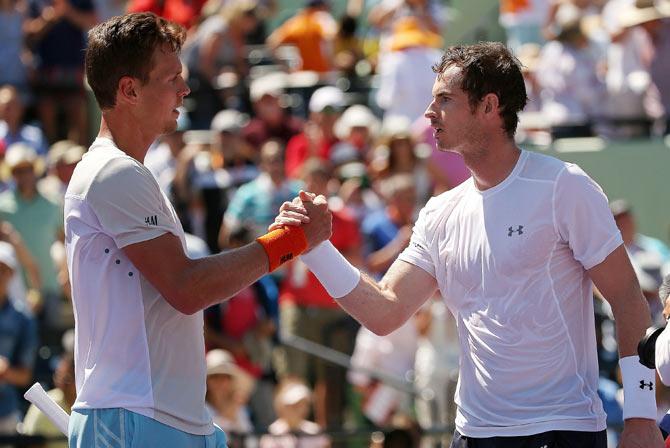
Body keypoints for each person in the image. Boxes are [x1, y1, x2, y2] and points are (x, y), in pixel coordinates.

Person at [272, 42, 663, 447]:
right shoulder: (440, 212)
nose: (429, 112)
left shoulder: (564, 186)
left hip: (561, 430)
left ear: (490, 107)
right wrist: (316, 248)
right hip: (473, 435)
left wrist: (639, 415)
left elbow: (627, 298)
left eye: (445, 99)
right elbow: (385, 312)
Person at [65, 12, 332, 447]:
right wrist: (290, 241)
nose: (185, 89)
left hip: (163, 419)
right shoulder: (113, 172)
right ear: (130, 90)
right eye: (171, 78)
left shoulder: (124, 172)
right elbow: (187, 288)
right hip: (135, 418)